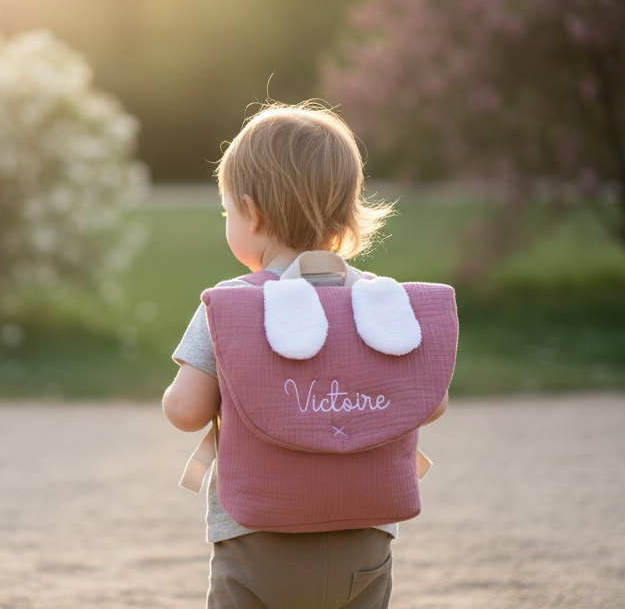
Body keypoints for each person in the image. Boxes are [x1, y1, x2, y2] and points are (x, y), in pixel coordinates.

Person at [161, 102, 450, 609]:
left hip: (256, 538)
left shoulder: (233, 304)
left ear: (252, 213)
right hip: (366, 535)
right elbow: (432, 402)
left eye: (227, 211)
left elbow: (186, 412)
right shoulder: (380, 303)